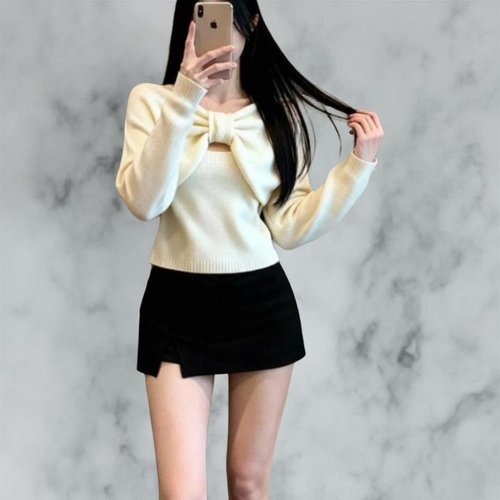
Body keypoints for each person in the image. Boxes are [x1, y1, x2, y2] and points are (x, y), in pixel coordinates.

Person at [115, 1, 384, 498]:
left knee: (248, 483)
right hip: (175, 304)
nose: (214, 32)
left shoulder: (276, 114)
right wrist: (186, 95)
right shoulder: (153, 102)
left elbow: (290, 225)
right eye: (201, 16)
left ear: (252, 23)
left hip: (260, 304)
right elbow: (144, 201)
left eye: (226, 18)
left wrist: (356, 168)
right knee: (180, 492)